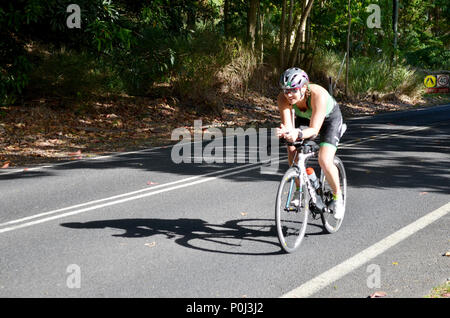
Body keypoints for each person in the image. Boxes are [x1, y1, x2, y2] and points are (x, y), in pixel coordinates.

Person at [275, 67, 345, 219]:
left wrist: (298, 133)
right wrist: (286, 132)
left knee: (324, 159)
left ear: (304, 88)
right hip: (305, 118)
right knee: (292, 149)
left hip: (328, 119)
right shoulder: (283, 99)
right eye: (285, 90)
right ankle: (299, 188)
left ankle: (338, 197)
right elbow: (288, 126)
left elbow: (314, 130)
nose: (288, 94)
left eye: (293, 90)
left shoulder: (318, 95)